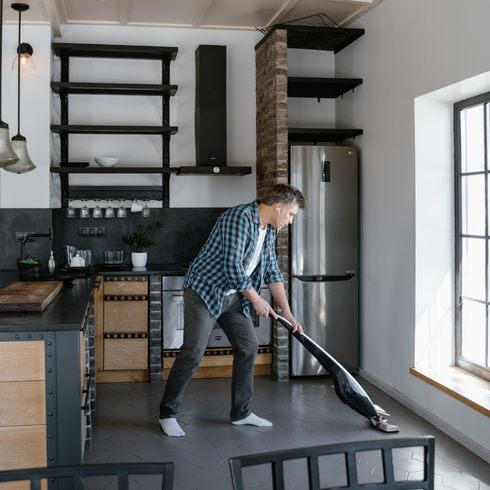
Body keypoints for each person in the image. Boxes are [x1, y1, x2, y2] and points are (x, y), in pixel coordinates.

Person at [159, 183, 305, 437]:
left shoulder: (270, 230)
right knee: (193, 352)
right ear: (279, 207)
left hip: (234, 296)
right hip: (205, 291)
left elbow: (272, 270)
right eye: (291, 214)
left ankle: (241, 413)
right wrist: (257, 300)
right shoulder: (239, 218)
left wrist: (287, 312)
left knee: (248, 346)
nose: (291, 221)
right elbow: (232, 266)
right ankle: (167, 413)